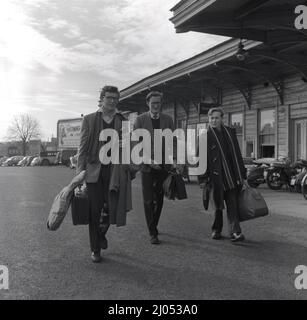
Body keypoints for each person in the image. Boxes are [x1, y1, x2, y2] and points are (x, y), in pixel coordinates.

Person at [77, 85, 126, 262]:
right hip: (93, 172)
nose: (112, 101)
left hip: (114, 172)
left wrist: (125, 147)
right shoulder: (89, 120)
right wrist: (79, 174)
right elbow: (82, 148)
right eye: (109, 97)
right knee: (94, 211)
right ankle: (95, 248)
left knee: (111, 208)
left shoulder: (123, 120)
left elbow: (129, 147)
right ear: (102, 99)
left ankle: (100, 233)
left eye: (115, 98)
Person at [133, 91, 181, 245]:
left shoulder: (168, 119)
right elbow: (135, 144)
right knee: (148, 200)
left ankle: (154, 225)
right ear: (148, 103)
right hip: (147, 166)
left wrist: (174, 158)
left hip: (163, 166)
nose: (155, 105)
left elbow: (173, 141)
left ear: (161, 104)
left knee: (159, 198)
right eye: (153, 103)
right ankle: (152, 231)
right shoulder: (140, 120)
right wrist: (147, 160)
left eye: (158, 103)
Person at [198, 107, 247, 242]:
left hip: (231, 176)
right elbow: (200, 159)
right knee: (218, 206)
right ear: (208, 119)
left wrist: (243, 176)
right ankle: (216, 230)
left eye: (217, 118)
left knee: (233, 205)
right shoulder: (204, 136)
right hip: (214, 177)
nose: (214, 120)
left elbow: (237, 154)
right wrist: (202, 179)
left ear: (222, 119)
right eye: (211, 118)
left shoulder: (230, 132)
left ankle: (235, 232)